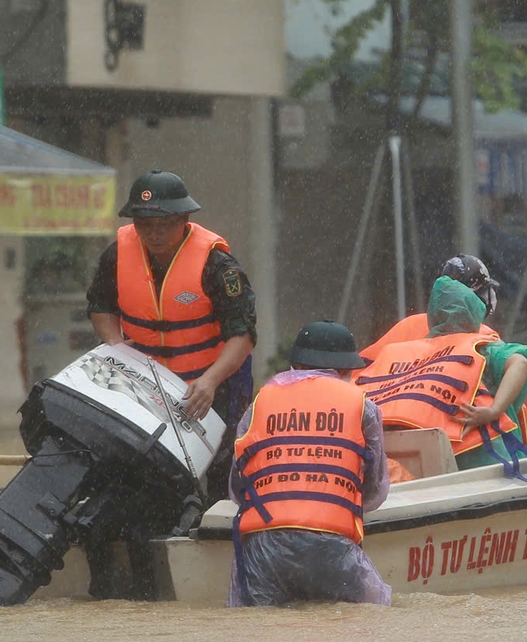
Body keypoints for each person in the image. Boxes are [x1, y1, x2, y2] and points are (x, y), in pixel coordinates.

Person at [86, 169, 257, 501]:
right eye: (145, 225)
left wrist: (210, 381)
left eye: (164, 224)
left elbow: (244, 334)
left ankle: (216, 527)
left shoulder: (218, 266)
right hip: (147, 382)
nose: (155, 234)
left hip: (214, 382)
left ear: (185, 219)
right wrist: (114, 345)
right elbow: (100, 304)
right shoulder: (117, 255)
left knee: (223, 467)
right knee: (146, 467)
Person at [228, 320, 392, 607]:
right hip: (333, 549)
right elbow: (375, 491)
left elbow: (235, 487)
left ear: (296, 364)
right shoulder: (363, 406)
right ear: (345, 369)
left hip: (264, 550)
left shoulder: (261, 401)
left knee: (256, 634)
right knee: (365, 618)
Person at [354, 275, 527, 472]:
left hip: (416, 466)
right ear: (474, 313)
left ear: (433, 316)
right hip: (487, 466)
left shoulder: (401, 353)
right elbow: (521, 363)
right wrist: (494, 410)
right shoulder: (480, 349)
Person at [356, 253, 504, 370]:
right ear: (472, 294)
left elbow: (360, 368)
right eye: (485, 291)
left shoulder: (408, 325)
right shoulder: (482, 336)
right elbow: (517, 367)